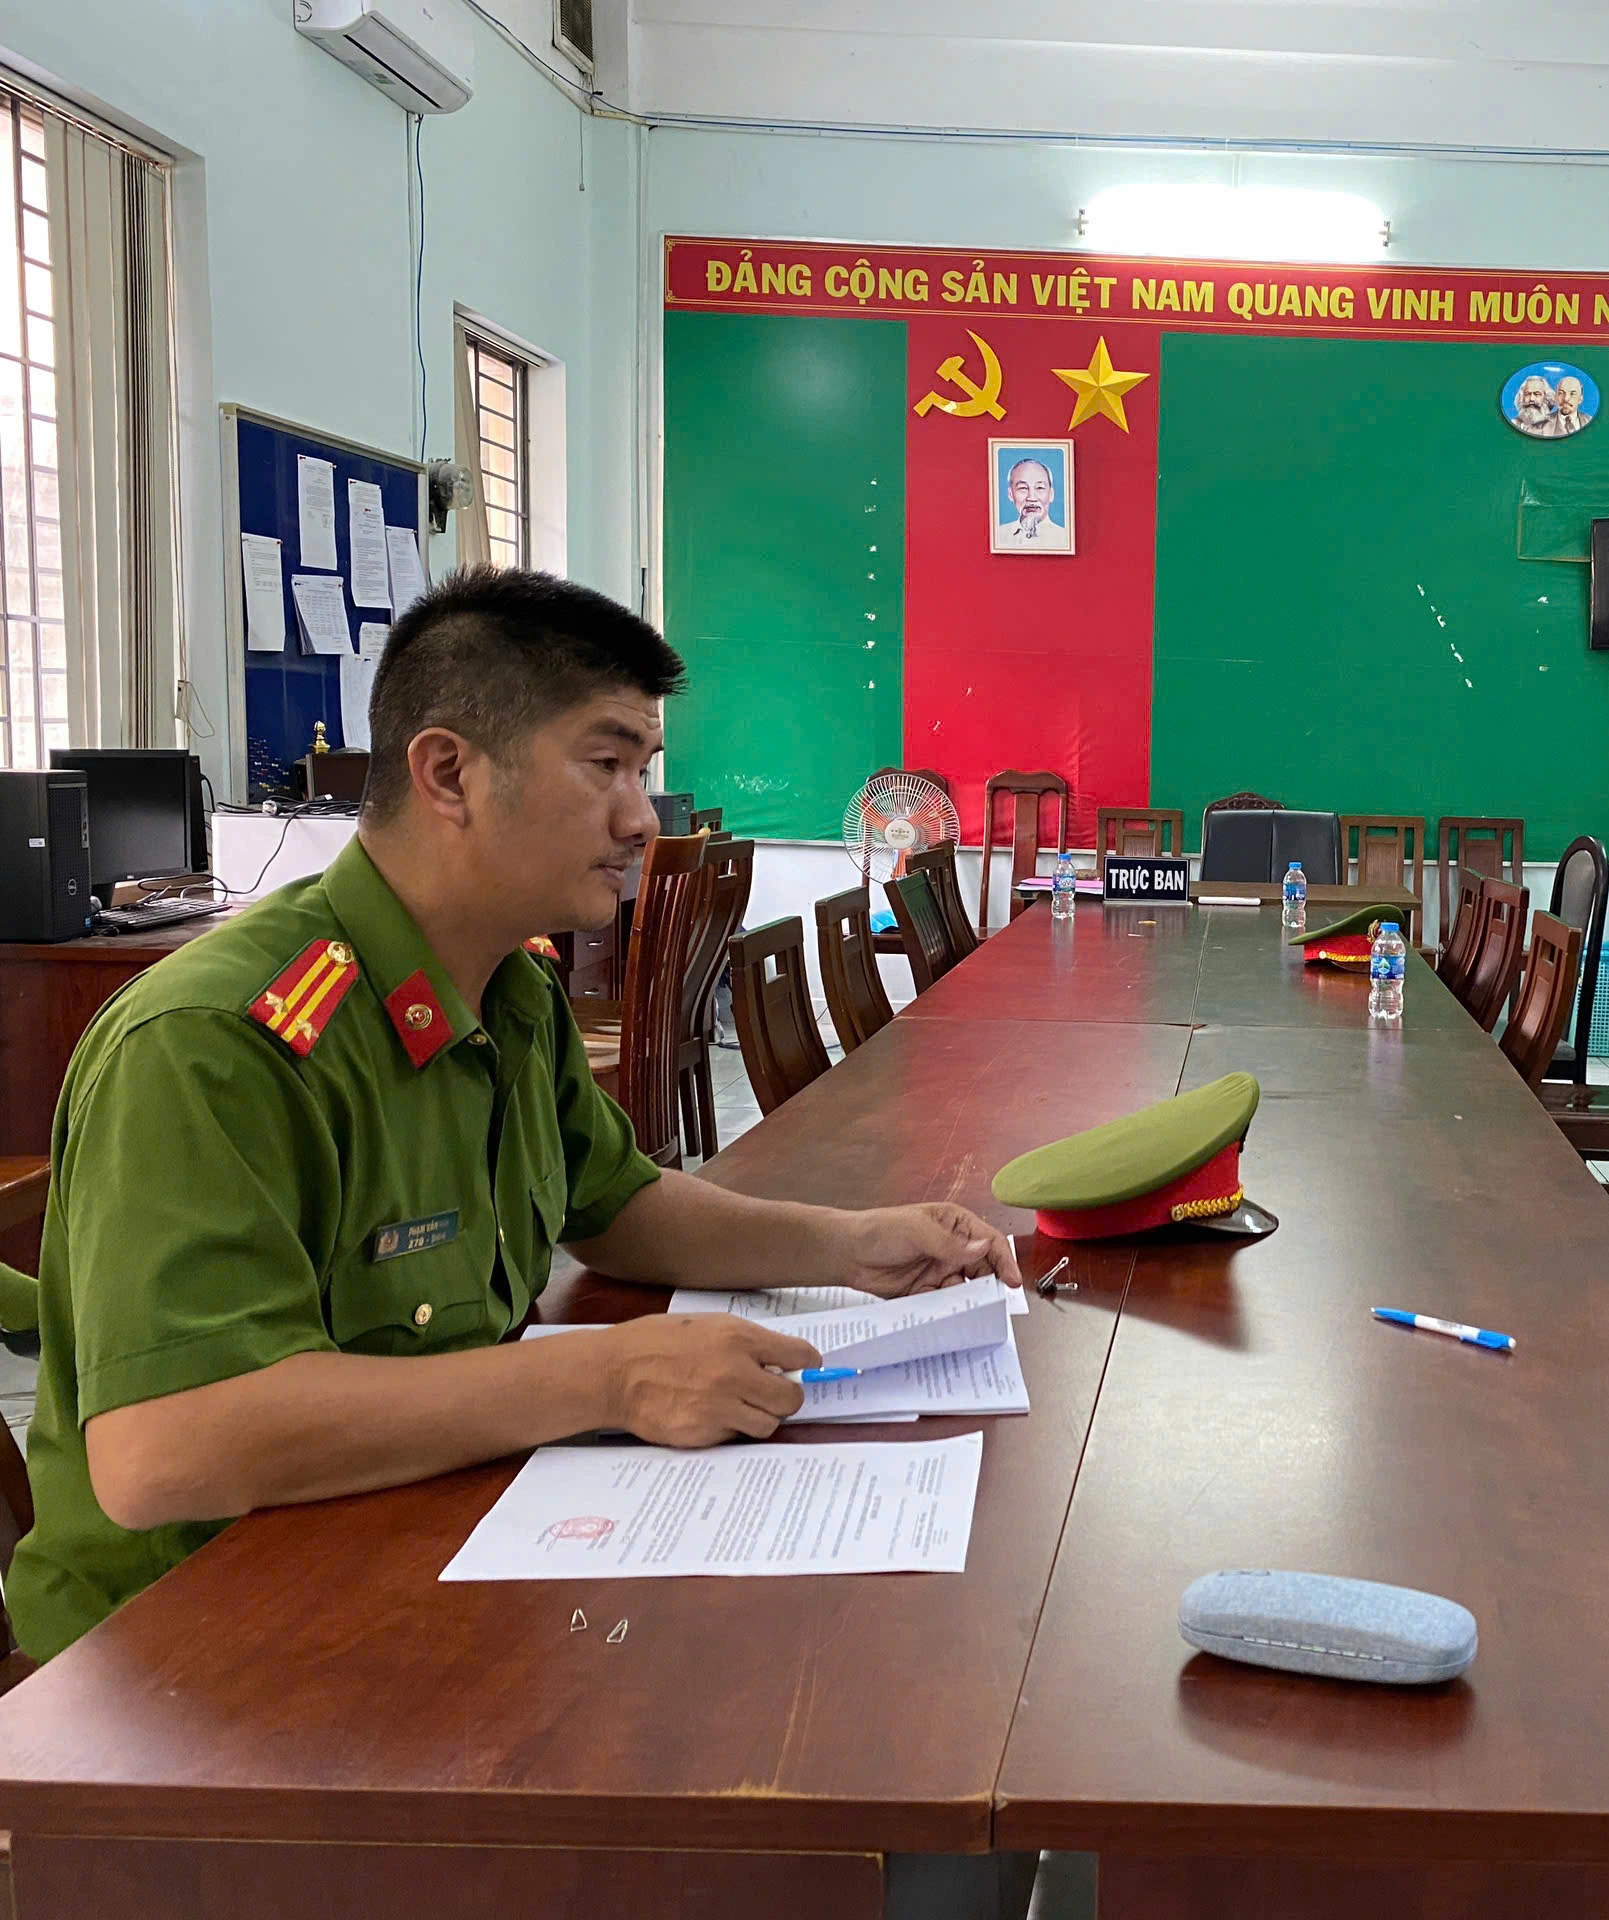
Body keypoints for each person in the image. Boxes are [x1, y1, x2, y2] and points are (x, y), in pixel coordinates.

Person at [5, 568, 1024, 1667]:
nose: (641, 817)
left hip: (411, 1546)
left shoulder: (507, 985)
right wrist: (606, 1375)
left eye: (644, 770)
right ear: (448, 772)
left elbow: (616, 1206)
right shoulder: (217, 1043)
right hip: (190, 1654)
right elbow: (166, 1451)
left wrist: (850, 1243)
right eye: (605, 764)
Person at [996, 456, 1068, 548]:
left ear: (1051, 494)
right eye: (1023, 488)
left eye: (1040, 488)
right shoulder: (998, 536)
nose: (1031, 497)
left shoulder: (1065, 538)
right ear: (1010, 494)